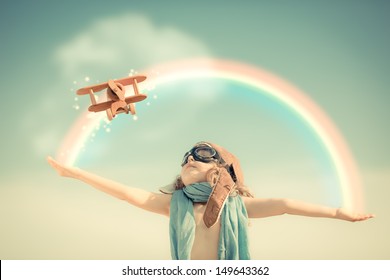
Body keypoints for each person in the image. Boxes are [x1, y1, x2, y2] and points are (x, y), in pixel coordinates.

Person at [47, 141, 374, 260]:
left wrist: (338, 212)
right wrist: (78, 174)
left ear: (220, 171)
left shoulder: (236, 207)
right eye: (186, 157)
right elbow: (126, 193)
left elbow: (285, 204)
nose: (190, 159)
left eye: (201, 157)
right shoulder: (175, 204)